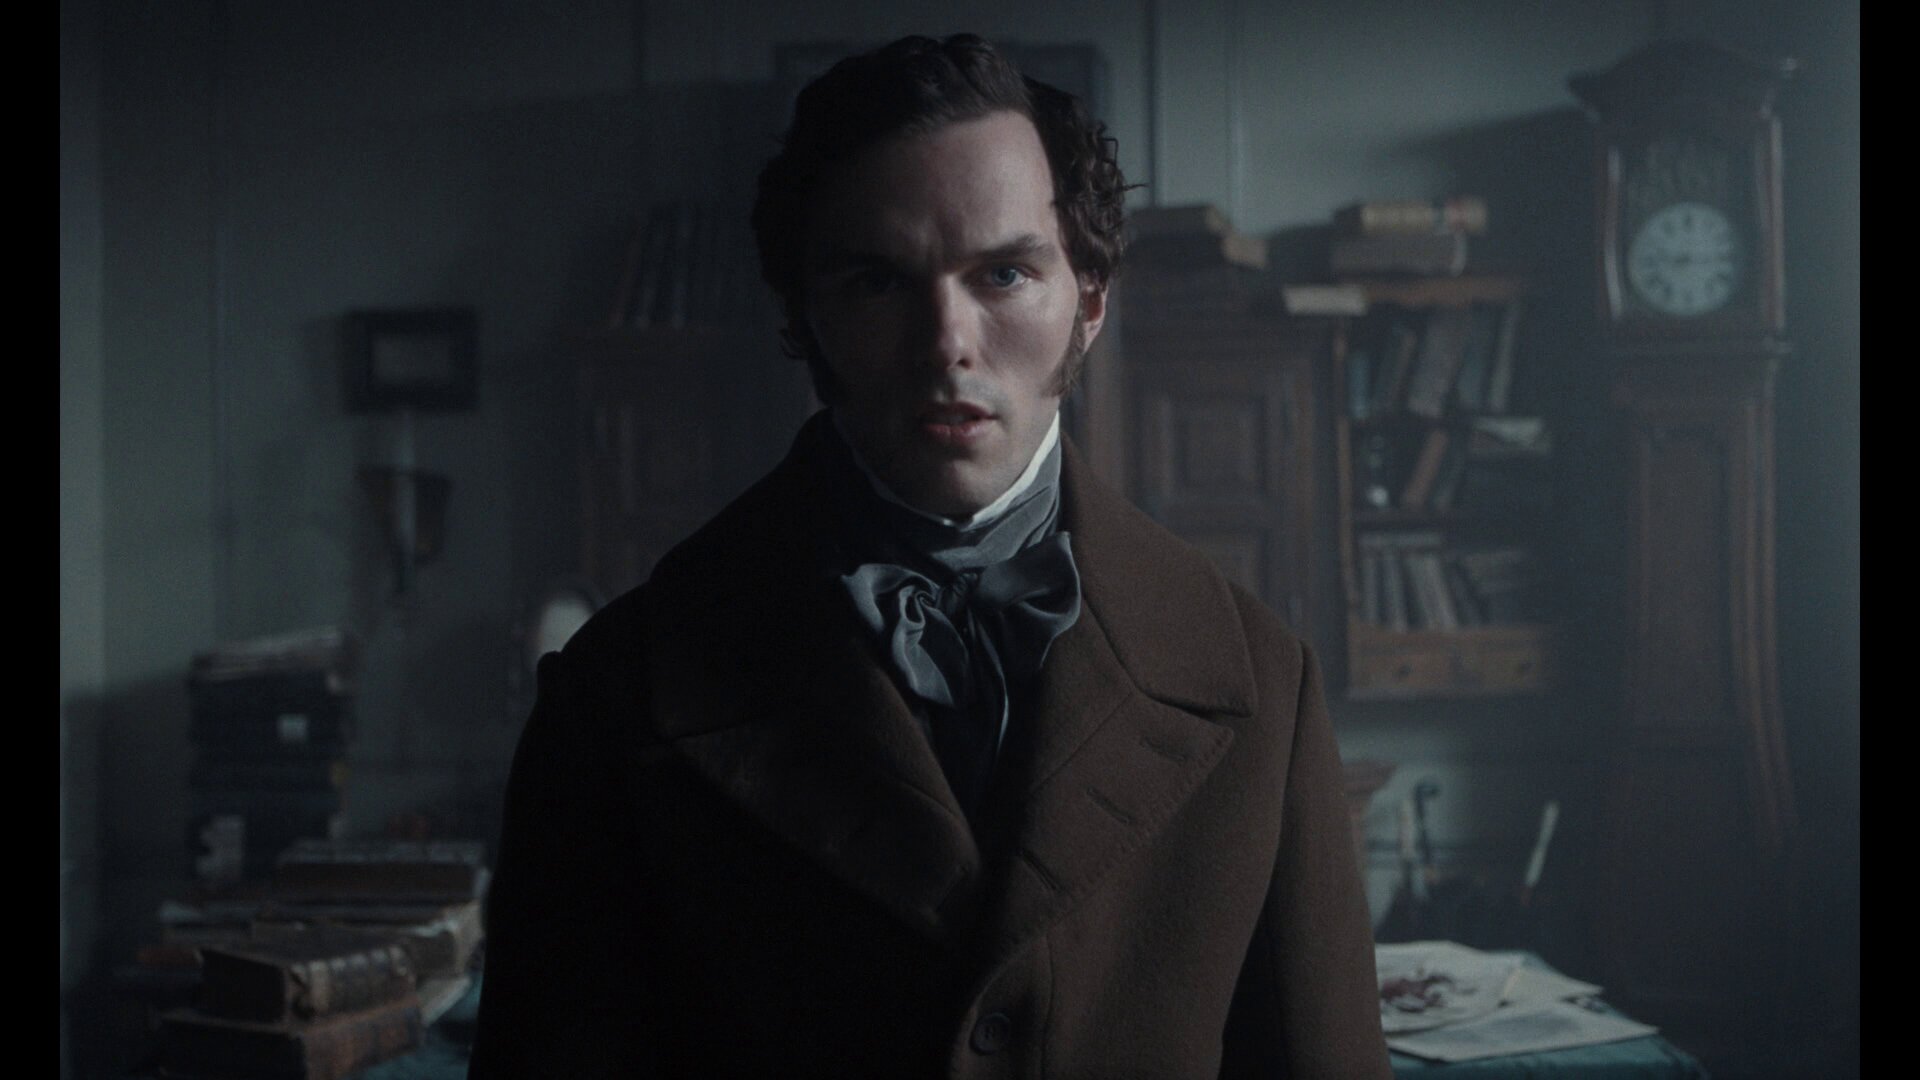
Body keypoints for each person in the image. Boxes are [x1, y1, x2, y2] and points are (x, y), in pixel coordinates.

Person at [470, 33, 1390, 1079]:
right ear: (802, 312)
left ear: (1090, 298)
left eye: (1005, 273)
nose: (946, 340)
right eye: (878, 282)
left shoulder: (1260, 681)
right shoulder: (615, 696)